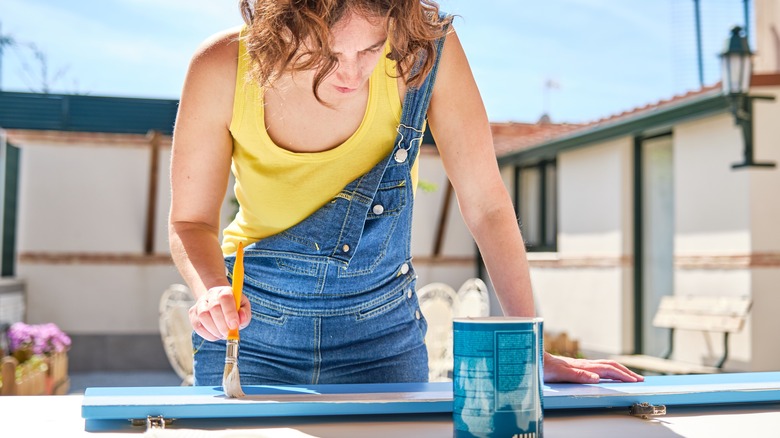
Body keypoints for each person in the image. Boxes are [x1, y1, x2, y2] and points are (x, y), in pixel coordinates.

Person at [169, 0, 643, 386]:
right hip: (247, 338)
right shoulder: (221, 67)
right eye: (328, 54)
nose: (352, 74)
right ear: (282, 22)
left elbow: (487, 204)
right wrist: (211, 289)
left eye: (371, 50)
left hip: (382, 338)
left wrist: (526, 346)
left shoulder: (425, 50)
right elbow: (190, 222)